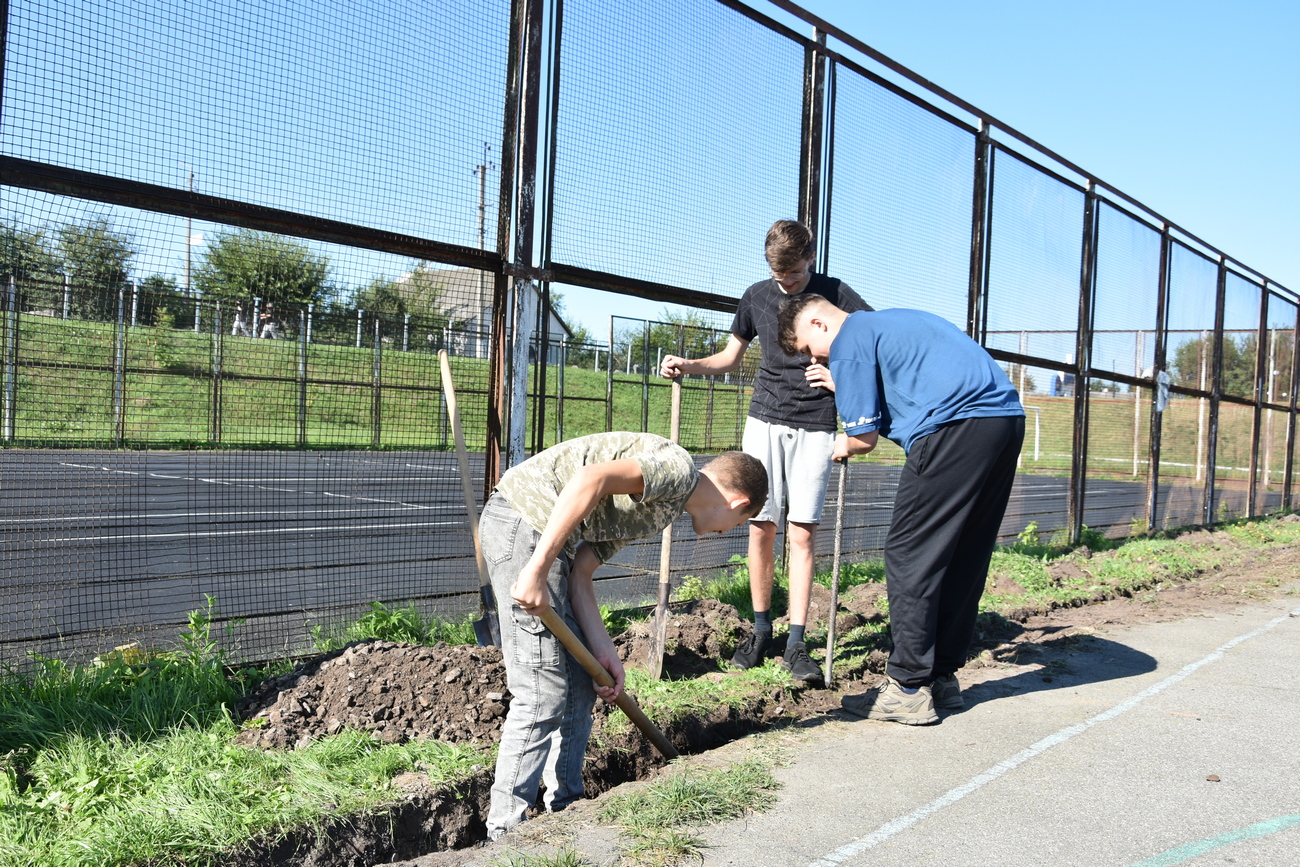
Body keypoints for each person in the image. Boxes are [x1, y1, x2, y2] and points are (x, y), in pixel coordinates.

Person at [482, 432, 768, 839]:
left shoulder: (663, 509)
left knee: (581, 684)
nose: (725, 533)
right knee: (541, 691)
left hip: (547, 545)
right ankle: (505, 832)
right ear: (739, 504)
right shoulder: (678, 470)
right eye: (737, 525)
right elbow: (590, 479)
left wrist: (605, 653)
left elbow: (582, 572)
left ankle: (566, 807)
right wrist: (536, 569)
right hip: (522, 523)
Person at [777, 293, 1025, 725]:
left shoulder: (849, 338)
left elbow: (863, 439)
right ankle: (941, 678)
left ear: (818, 324)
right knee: (962, 552)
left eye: (808, 348)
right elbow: (909, 388)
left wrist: (839, 444)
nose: (813, 358)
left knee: (910, 552)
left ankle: (907, 687)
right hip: (1003, 421)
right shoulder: (889, 323)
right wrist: (847, 386)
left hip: (954, 426)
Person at [659, 220, 871, 684]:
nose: (787, 283)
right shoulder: (756, 295)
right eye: (779, 275)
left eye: (794, 274)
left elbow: (869, 344)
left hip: (817, 425)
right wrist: (689, 365)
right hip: (764, 421)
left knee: (802, 533)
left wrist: (841, 380)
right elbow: (730, 356)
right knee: (760, 526)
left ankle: (797, 643)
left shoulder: (836, 293)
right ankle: (760, 632)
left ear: (810, 258)